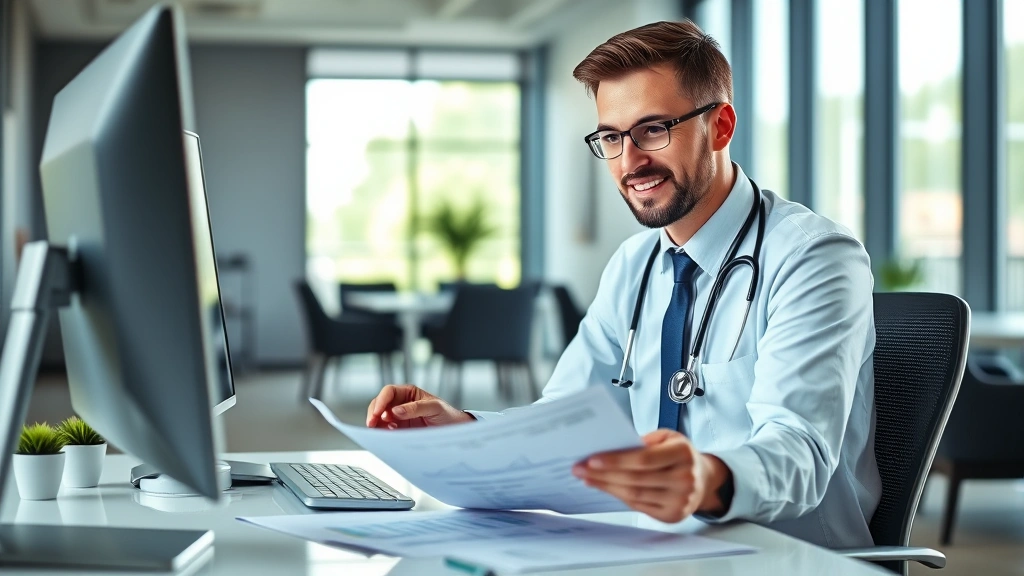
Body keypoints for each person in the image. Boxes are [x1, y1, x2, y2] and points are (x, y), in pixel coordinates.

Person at [365, 20, 881, 549]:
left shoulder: (813, 258)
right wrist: (465, 427)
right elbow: (562, 418)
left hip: (785, 556)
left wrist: (704, 477)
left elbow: (800, 454)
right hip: (655, 550)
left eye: (653, 129)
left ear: (721, 126)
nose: (630, 161)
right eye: (611, 137)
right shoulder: (635, 264)